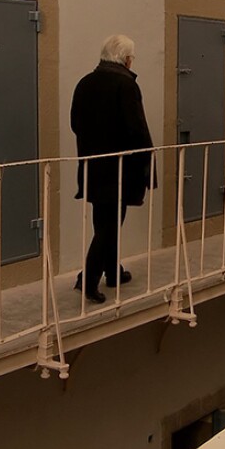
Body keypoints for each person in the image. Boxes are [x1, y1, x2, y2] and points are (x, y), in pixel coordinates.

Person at [71, 34, 156, 303]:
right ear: (126, 59)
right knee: (110, 225)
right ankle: (87, 279)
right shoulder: (126, 85)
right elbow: (136, 129)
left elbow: (76, 123)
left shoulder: (84, 83)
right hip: (119, 168)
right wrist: (146, 160)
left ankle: (113, 272)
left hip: (92, 166)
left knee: (103, 220)